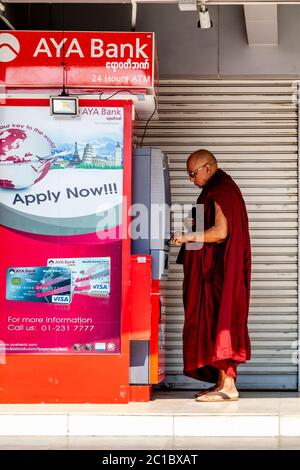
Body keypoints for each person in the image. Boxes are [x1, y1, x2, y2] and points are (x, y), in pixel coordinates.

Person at [171, 149, 251, 402]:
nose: (191, 179)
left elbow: (220, 232)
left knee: (222, 319)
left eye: (193, 174)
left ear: (208, 168)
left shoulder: (222, 190)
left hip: (220, 273)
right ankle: (221, 383)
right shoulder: (215, 190)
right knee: (213, 321)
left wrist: (188, 236)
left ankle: (229, 387)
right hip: (213, 272)